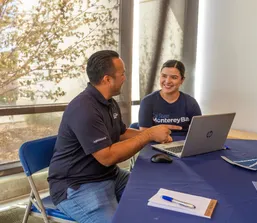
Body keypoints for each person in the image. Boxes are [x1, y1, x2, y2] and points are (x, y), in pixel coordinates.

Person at [48, 50, 181, 223]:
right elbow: (107, 157)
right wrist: (148, 134)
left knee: (160, 198)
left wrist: (153, 134)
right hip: (78, 186)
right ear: (107, 79)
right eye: (122, 74)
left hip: (110, 176)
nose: (125, 78)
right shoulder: (84, 109)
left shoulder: (109, 102)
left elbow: (121, 133)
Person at [139, 60, 201, 136]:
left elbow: (199, 132)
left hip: (184, 145)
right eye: (164, 76)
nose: (167, 81)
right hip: (155, 144)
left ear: (182, 80)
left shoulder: (191, 103)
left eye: (174, 77)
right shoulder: (147, 102)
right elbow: (143, 135)